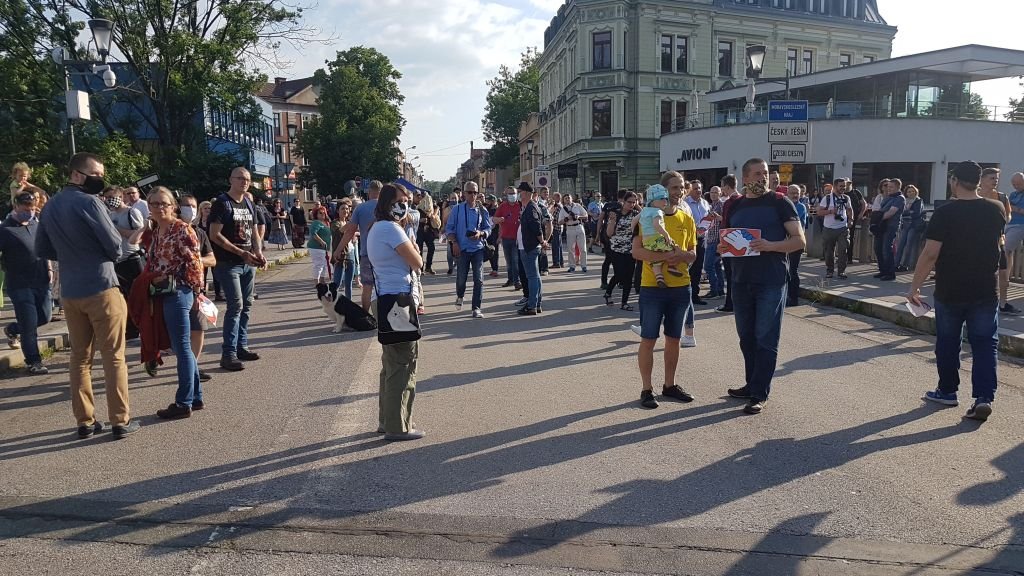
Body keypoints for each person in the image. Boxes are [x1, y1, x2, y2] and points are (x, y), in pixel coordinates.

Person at [35, 152, 138, 439]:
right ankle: (120, 420)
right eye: (96, 174)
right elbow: (115, 247)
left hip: (71, 290)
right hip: (101, 286)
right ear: (78, 174)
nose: (100, 179)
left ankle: (85, 421)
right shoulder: (91, 202)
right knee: (113, 357)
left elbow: (42, 248)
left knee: (79, 358)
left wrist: (71, 256)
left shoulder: (51, 205)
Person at [911, 161, 1004, 421]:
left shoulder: (944, 213)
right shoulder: (996, 209)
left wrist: (915, 286)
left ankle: (948, 391)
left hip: (950, 289)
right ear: (978, 181)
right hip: (986, 288)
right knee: (986, 344)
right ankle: (983, 397)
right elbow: (998, 245)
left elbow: (930, 253)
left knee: (948, 342)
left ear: (953, 181)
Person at [719, 158, 805, 415]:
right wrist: (723, 247)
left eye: (765, 173)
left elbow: (799, 241)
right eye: (757, 174)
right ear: (745, 178)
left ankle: (759, 392)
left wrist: (770, 245)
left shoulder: (780, 202)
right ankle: (751, 384)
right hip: (740, 280)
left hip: (771, 279)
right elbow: (726, 240)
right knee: (746, 338)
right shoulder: (734, 205)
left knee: (765, 338)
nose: (763, 178)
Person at [139, 187, 205, 419]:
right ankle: (195, 397)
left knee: (182, 347)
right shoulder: (158, 231)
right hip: (164, 293)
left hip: (179, 292)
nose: (159, 207)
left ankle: (183, 402)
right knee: (180, 347)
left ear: (173, 206)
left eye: (164, 203)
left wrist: (196, 292)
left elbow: (195, 263)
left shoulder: (181, 229)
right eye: (154, 204)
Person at [632, 181, 698, 409]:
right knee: (649, 339)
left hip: (681, 287)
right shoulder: (647, 216)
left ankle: (669, 385)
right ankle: (646, 389)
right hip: (652, 287)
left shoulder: (687, 218)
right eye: (673, 188)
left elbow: (693, 254)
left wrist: (681, 255)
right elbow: (636, 251)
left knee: (674, 339)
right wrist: (660, 256)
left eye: (681, 188)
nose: (678, 192)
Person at [368, 183, 425, 441]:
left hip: (388, 298)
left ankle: (387, 420)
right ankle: (398, 426)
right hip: (398, 301)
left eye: (407, 200)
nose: (404, 205)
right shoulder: (391, 229)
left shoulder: (377, 228)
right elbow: (418, 262)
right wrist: (411, 243)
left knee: (391, 365)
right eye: (400, 200)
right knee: (403, 363)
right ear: (387, 203)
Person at [208, 167, 266, 371]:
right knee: (236, 306)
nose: (244, 182)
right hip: (228, 263)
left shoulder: (249, 203)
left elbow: (254, 233)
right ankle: (228, 353)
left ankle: (242, 346)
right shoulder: (222, 203)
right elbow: (214, 234)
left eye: (248, 179)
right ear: (230, 179)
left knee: (247, 305)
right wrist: (241, 253)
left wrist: (258, 252)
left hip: (248, 263)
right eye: (240, 178)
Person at [0, 193, 52, 374]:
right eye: (26, 208)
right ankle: (34, 361)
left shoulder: (36, 224)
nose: (30, 211)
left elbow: (43, 249)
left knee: (45, 316)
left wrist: (50, 269)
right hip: (20, 284)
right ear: (16, 206)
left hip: (41, 280)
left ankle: (14, 328)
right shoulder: (5, 230)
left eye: (32, 208)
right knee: (29, 324)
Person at [99, 186, 146, 339]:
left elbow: (139, 235)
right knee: (122, 298)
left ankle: (145, 327)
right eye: (106, 197)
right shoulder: (109, 215)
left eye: (112, 196)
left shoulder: (131, 212)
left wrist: (116, 229)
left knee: (139, 297)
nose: (109, 200)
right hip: (117, 262)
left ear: (120, 196)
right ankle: (131, 330)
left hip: (132, 259)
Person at [180, 194, 215, 382]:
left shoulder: (200, 233)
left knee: (199, 328)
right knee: (179, 332)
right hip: (176, 290)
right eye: (185, 205)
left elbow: (212, 259)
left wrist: (195, 261)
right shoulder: (171, 231)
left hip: (197, 289)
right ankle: (185, 366)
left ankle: (193, 365)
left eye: (192, 205)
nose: (190, 209)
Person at [445, 181, 492, 318]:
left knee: (479, 279)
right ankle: (460, 296)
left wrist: (481, 234)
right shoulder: (457, 209)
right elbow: (449, 229)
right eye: (470, 192)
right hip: (462, 249)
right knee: (461, 279)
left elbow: (488, 228)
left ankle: (476, 307)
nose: (472, 195)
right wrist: (454, 242)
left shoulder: (482, 210)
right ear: (464, 194)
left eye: (475, 192)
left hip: (477, 249)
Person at [978, 168, 1019, 315]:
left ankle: (1003, 303)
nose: (995, 181)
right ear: (981, 180)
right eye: (991, 178)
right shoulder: (975, 195)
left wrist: (999, 219)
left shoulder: (1002, 197)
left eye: (996, 178)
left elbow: (1008, 216)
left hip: (998, 239)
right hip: (977, 241)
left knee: (1003, 273)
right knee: (981, 272)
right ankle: (979, 301)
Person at [337, 180, 382, 313]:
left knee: (367, 287)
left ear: (369, 192)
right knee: (385, 286)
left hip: (367, 253)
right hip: (386, 254)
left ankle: (365, 315)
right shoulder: (387, 207)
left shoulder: (360, 208)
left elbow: (350, 231)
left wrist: (338, 249)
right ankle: (385, 315)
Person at [638, 185, 686, 287]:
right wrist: (666, 235)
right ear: (653, 201)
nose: (665, 201)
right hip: (656, 239)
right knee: (673, 248)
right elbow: (657, 225)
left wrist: (631, 228)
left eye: (666, 199)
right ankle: (672, 266)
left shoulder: (644, 210)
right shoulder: (658, 211)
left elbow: (634, 220)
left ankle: (659, 278)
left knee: (655, 262)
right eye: (662, 198)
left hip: (647, 243)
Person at [603, 191, 640, 311]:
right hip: (616, 249)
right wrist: (612, 221)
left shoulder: (635, 214)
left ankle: (624, 303)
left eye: (634, 202)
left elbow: (646, 214)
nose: (632, 204)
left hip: (630, 249)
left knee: (629, 277)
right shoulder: (615, 213)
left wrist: (638, 205)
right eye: (629, 202)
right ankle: (608, 292)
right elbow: (609, 233)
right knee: (619, 274)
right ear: (623, 202)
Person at [516, 182, 546, 315]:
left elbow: (536, 226)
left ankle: (532, 305)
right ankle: (536, 304)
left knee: (532, 277)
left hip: (529, 247)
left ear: (527, 193)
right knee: (535, 276)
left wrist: (542, 240)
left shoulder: (531, 208)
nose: (519, 194)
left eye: (520, 192)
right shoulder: (529, 207)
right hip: (529, 246)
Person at [716, 174, 742, 314]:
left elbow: (726, 224)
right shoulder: (743, 200)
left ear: (726, 186)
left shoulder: (728, 202)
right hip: (741, 241)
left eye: (722, 186)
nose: (721, 189)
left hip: (729, 242)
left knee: (730, 275)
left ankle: (729, 303)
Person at [818, 178, 853, 280]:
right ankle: (830, 271)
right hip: (829, 228)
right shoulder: (827, 198)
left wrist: (851, 220)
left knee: (843, 249)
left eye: (844, 186)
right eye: (841, 186)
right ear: (835, 186)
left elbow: (850, 210)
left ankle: (841, 271)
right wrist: (830, 212)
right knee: (828, 251)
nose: (843, 188)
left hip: (842, 228)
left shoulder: (846, 198)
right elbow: (819, 212)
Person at [684, 180, 711, 305]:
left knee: (698, 269)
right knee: (688, 268)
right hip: (690, 239)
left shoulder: (705, 203)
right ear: (690, 190)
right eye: (695, 188)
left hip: (702, 239)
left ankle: (694, 295)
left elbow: (707, 220)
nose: (698, 190)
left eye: (700, 188)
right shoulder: (685, 203)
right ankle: (685, 295)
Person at [873, 178, 905, 281]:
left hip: (891, 226)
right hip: (881, 226)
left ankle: (890, 273)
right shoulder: (888, 197)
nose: (888, 189)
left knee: (887, 249)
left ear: (897, 187)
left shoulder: (900, 198)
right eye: (887, 186)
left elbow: (891, 212)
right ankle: (882, 270)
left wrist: (878, 218)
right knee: (878, 248)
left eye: (891, 187)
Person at [492, 187, 522, 289]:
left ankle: (517, 281)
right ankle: (510, 279)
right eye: (509, 193)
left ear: (517, 194)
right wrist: (499, 219)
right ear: (506, 195)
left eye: (513, 193)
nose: (512, 195)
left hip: (517, 238)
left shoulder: (521, 205)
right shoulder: (503, 206)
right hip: (505, 238)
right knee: (509, 261)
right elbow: (494, 220)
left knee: (515, 260)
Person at [785, 185, 808, 307]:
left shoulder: (800, 207)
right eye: (792, 193)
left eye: (797, 193)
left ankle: (793, 298)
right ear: (788, 193)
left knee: (793, 270)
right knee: (787, 270)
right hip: (786, 243)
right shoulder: (785, 205)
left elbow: (795, 222)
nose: (795, 195)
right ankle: (787, 295)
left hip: (796, 243)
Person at [1004, 172, 1024, 308]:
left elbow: (1014, 209)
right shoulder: (1013, 194)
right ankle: (1004, 275)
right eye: (1014, 184)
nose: (1016, 186)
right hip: (1009, 223)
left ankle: (1003, 275)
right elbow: (1007, 209)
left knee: (1006, 249)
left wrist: (1016, 209)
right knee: (1003, 249)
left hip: (1020, 225)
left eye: (1018, 184)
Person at [895, 185, 925, 273]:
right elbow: (900, 212)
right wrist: (908, 212)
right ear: (906, 193)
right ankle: (896, 264)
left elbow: (916, 213)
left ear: (916, 192)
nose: (911, 193)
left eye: (912, 191)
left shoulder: (918, 200)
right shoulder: (905, 200)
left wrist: (906, 212)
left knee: (909, 245)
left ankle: (905, 265)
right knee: (900, 245)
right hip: (905, 225)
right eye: (909, 191)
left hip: (914, 225)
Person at [559, 193, 589, 272]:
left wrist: (579, 217)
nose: (567, 199)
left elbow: (586, 215)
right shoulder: (563, 209)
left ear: (571, 198)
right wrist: (566, 219)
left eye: (569, 198)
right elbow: (559, 222)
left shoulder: (577, 206)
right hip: (570, 228)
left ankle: (584, 265)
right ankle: (572, 266)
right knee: (570, 249)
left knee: (583, 248)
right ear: (563, 200)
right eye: (566, 198)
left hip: (579, 227)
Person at [416, 194, 439, 275]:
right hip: (419, 230)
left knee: (431, 248)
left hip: (429, 230)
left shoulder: (431, 208)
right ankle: (420, 268)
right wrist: (420, 220)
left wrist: (434, 215)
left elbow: (436, 207)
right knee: (420, 250)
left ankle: (428, 267)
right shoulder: (417, 208)